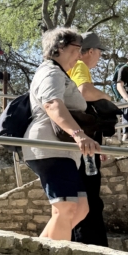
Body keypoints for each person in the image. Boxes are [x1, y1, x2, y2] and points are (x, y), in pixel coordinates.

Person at [23, 28, 101, 241]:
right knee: (65, 208)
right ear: (59, 48)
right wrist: (79, 135)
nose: (80, 54)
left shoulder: (60, 74)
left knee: (79, 209)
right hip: (50, 148)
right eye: (77, 48)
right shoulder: (51, 72)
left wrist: (87, 141)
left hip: (63, 151)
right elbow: (52, 104)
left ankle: (36, 253)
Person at [67, 31, 110, 247]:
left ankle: (77, 244)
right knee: (90, 197)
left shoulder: (67, 68)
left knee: (77, 198)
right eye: (100, 53)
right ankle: (92, 248)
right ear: (90, 51)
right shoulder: (80, 66)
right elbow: (84, 91)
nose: (99, 57)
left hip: (74, 144)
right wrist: (107, 98)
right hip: (83, 146)